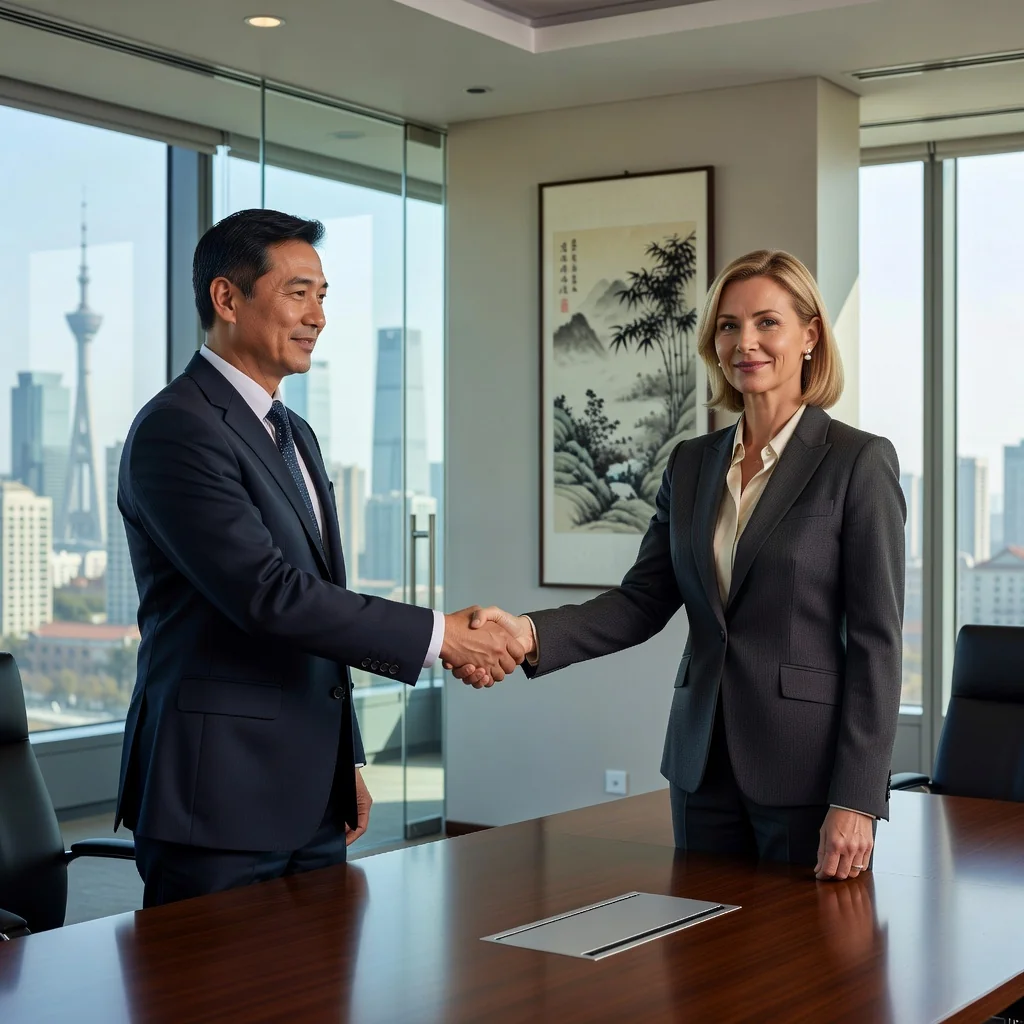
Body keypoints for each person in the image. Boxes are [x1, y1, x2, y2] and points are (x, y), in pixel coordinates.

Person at [116, 209, 523, 907]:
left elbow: (316, 607)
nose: (318, 316)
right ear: (226, 297)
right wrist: (441, 635)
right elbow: (268, 596)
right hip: (217, 798)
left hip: (308, 796)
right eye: (299, 292)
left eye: (324, 296)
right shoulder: (176, 429)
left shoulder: (291, 431)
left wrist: (345, 764)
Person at [456, 250, 905, 881]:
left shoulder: (858, 462)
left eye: (766, 323)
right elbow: (642, 601)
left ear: (810, 335)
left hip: (807, 773)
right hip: (700, 764)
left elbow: (877, 643)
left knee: (804, 966)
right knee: (700, 961)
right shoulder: (691, 463)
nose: (745, 342)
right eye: (728, 325)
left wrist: (858, 797)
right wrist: (527, 634)